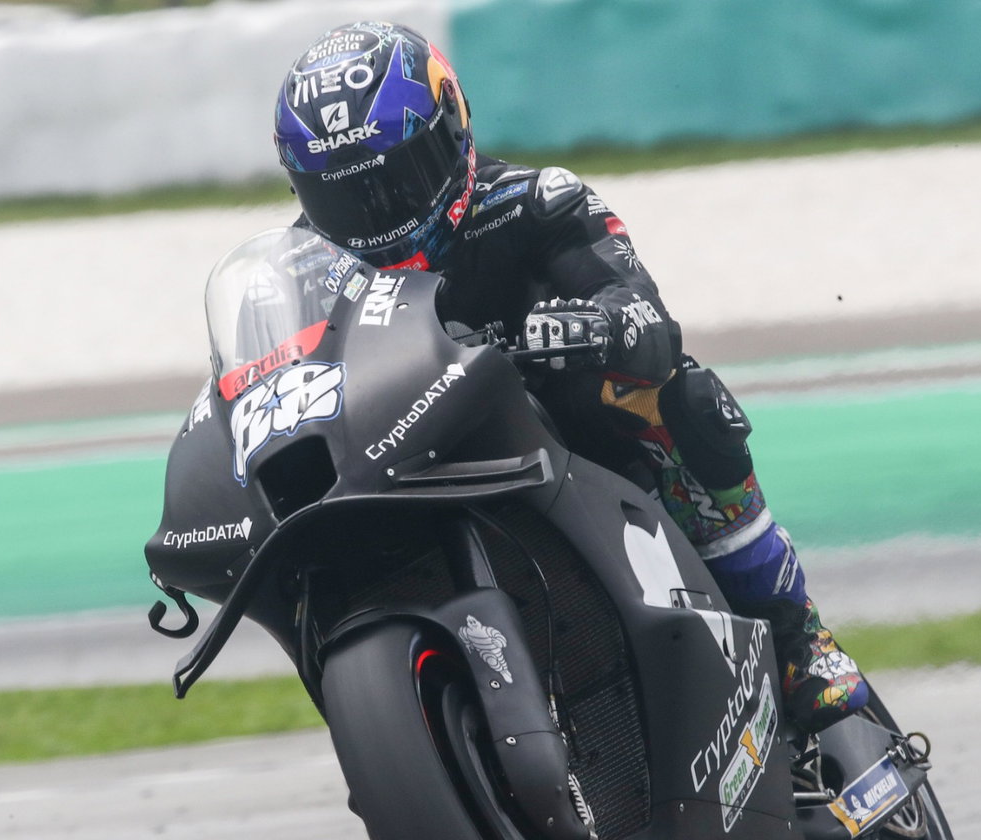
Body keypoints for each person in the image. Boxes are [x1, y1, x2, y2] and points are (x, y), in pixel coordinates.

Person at [274, 21, 869, 733]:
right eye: (346, 200)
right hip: (403, 459)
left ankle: (799, 636)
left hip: (560, 442)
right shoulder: (301, 271)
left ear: (452, 131)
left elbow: (646, 315)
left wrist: (595, 325)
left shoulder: (535, 202)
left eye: (396, 182)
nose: (377, 217)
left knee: (679, 396)